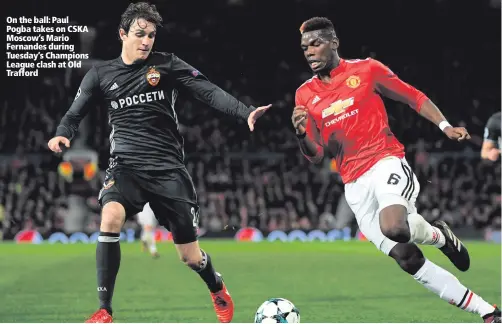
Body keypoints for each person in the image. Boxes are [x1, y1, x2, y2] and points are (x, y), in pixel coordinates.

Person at [47, 3, 271, 323]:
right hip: (126, 167)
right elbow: (74, 112)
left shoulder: (166, 65)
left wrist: (243, 111)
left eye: (151, 35)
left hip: (168, 172)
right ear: (123, 34)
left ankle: (217, 286)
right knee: (110, 217)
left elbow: (206, 90)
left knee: (189, 256)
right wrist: (61, 134)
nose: (146, 41)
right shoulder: (100, 74)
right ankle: (104, 309)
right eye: (140, 34)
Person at [292, 17, 500, 323]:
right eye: (304, 47)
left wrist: (444, 125)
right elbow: (316, 155)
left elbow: (412, 95)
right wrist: (301, 136)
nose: (309, 51)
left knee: (395, 227)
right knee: (408, 259)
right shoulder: (304, 95)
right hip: (354, 184)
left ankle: (439, 236)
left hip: (385, 161)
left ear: (334, 42)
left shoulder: (366, 70)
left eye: (316, 43)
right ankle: (488, 312)